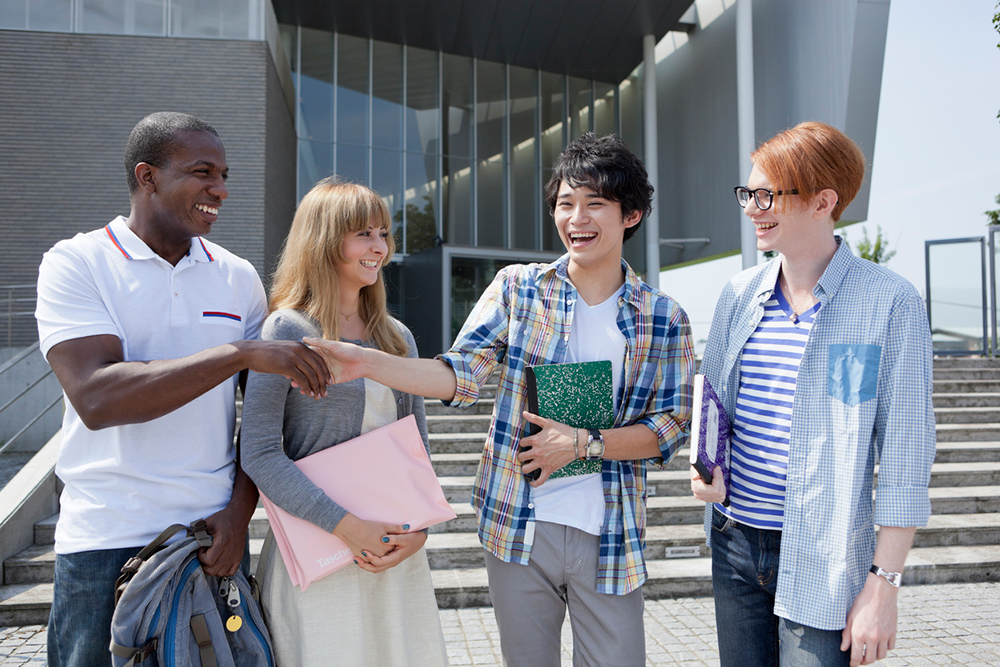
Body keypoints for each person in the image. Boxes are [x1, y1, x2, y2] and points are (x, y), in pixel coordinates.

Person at [306, 133, 695, 667]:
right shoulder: (519, 288)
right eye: (565, 203)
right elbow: (460, 376)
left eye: (594, 204)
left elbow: (670, 427)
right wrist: (369, 363)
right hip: (517, 522)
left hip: (609, 531)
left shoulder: (663, 316)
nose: (576, 218)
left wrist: (585, 444)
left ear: (630, 215)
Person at [34, 111, 331, 667]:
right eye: (202, 173)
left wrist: (240, 514)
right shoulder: (77, 263)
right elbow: (98, 398)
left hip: (209, 537)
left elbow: (265, 421)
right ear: (147, 177)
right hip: (105, 535)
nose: (219, 189)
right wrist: (238, 353)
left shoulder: (236, 275)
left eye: (223, 175)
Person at [691, 121, 935, 667]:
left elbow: (906, 451)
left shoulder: (889, 302)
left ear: (824, 201)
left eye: (768, 194)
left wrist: (884, 585)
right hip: (734, 543)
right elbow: (713, 404)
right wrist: (705, 464)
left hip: (824, 555)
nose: (752, 206)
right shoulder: (738, 295)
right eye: (748, 193)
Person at [239, 179, 448, 666]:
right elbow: (260, 453)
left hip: (394, 553)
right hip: (320, 552)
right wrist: (346, 526)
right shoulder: (287, 331)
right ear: (324, 240)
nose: (379, 247)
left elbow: (415, 446)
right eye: (363, 234)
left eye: (383, 233)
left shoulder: (398, 337)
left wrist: (421, 531)